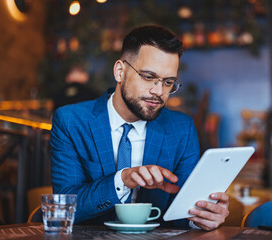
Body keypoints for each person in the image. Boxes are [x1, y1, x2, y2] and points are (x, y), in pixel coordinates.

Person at [50, 25, 229, 231]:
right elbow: (65, 208)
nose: (158, 91)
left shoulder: (182, 129)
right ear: (120, 71)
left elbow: (180, 213)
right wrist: (122, 179)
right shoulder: (71, 121)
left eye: (168, 82)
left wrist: (201, 217)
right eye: (148, 77)